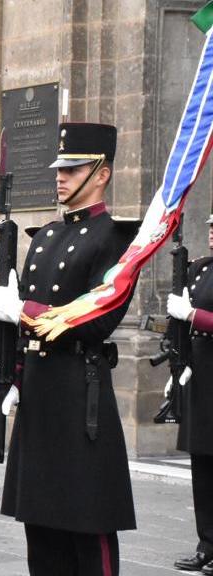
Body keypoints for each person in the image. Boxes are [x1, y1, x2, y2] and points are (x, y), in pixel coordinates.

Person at [0, 122, 136, 575]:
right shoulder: (46, 235)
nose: (60, 176)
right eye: (59, 168)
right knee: (42, 531)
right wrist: (10, 376)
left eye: (72, 169)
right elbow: (22, 331)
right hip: (39, 390)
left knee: (88, 527)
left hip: (78, 391)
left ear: (102, 173)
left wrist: (23, 310)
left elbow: (98, 318)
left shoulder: (115, 238)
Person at [166, 214, 213, 574]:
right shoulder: (201, 268)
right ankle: (207, 544)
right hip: (199, 377)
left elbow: (194, 317)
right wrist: (176, 366)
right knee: (202, 465)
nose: (212, 233)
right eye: (211, 228)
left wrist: (193, 314)